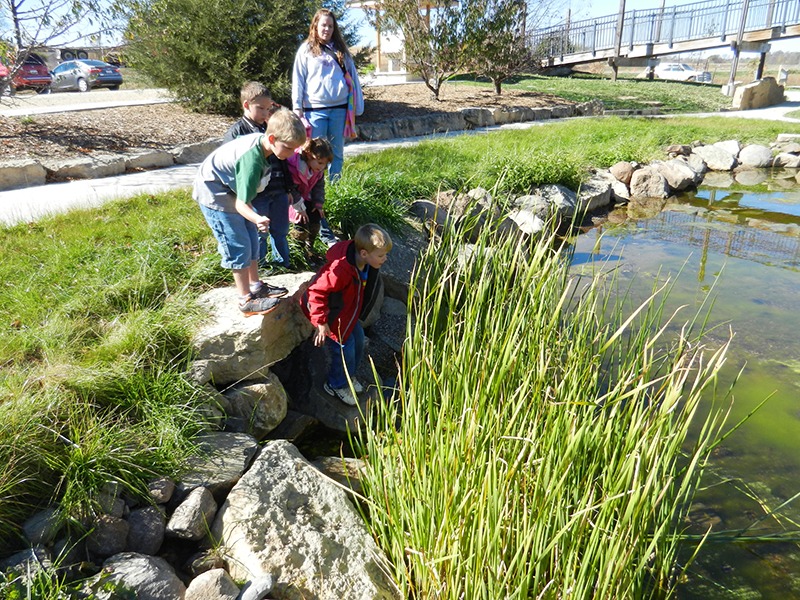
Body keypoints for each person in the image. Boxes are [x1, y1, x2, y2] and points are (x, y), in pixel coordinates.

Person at [193, 109, 306, 316]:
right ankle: (245, 300)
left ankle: (256, 285)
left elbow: (246, 194)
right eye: (289, 148)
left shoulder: (265, 146)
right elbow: (240, 205)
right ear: (272, 138)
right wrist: (257, 217)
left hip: (231, 188)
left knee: (252, 239)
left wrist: (253, 217)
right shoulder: (252, 161)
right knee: (238, 242)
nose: (291, 154)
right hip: (215, 192)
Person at [292, 8, 364, 246]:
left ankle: (335, 191)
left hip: (339, 109)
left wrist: (357, 107)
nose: (327, 29)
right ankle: (312, 194)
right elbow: (299, 80)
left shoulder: (340, 50)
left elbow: (353, 78)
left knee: (336, 154)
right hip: (315, 110)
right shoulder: (306, 50)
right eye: (323, 25)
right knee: (314, 154)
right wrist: (297, 110)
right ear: (315, 26)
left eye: (330, 26)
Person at [300, 223, 391, 405]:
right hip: (333, 317)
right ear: (364, 253)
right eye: (381, 255)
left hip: (348, 314)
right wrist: (321, 322)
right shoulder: (340, 270)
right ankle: (336, 384)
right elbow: (316, 293)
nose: (385, 259)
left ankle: (349, 376)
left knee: (358, 342)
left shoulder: (365, 263)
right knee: (344, 350)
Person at [223, 81, 292, 269]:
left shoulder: (270, 128)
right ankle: (261, 268)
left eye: (268, 108)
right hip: (255, 194)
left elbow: (283, 160)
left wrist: (288, 188)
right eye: (260, 108)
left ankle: (284, 264)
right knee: (259, 231)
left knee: (281, 230)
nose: (264, 113)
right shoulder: (237, 132)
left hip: (277, 190)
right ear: (246, 105)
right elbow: (233, 165)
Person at [287, 137, 334, 266]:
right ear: (309, 155)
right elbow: (291, 188)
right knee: (301, 222)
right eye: (319, 163)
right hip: (293, 200)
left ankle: (310, 248)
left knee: (315, 217)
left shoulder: (318, 171)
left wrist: (318, 203)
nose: (322, 167)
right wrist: (299, 207)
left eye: (325, 164)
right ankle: (298, 251)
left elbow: (319, 186)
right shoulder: (295, 167)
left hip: (307, 197)